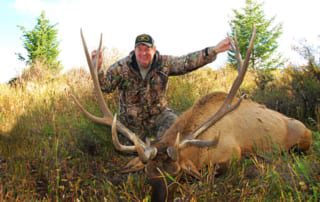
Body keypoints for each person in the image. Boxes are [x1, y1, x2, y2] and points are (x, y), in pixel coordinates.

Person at [92, 33, 231, 141]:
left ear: (154, 49)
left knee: (175, 133)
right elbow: (105, 87)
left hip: (159, 116)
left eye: (147, 49)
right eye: (139, 49)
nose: (143, 53)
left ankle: (161, 144)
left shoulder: (164, 63)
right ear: (134, 50)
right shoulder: (121, 67)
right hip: (131, 122)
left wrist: (213, 50)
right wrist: (97, 69)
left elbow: (187, 62)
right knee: (130, 152)